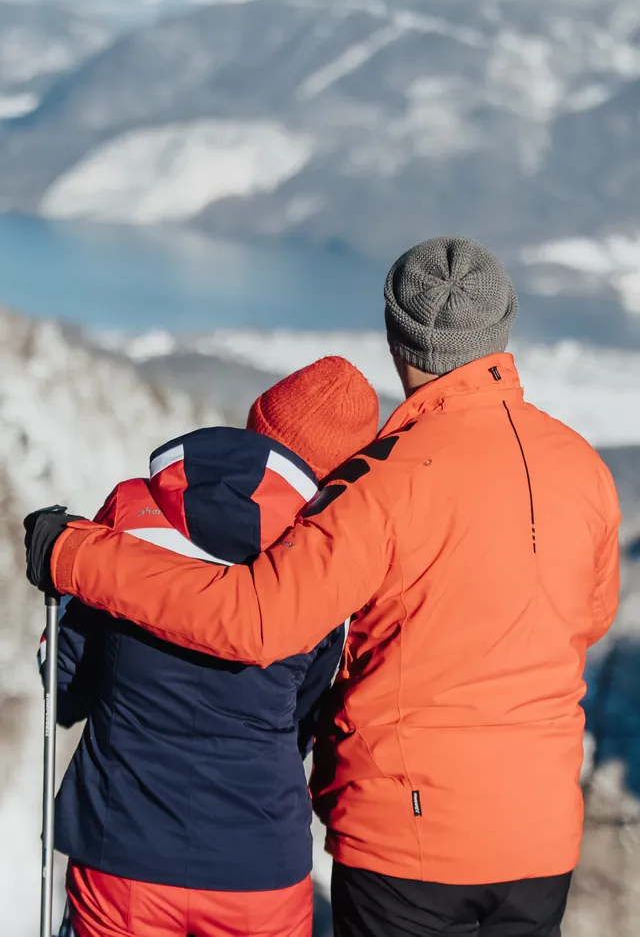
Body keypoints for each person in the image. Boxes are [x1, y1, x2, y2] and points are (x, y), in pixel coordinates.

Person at [27, 237, 621, 937]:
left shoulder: (385, 485)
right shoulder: (583, 468)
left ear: (396, 336)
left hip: (410, 839)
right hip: (540, 840)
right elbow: (589, 616)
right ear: (505, 326)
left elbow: (254, 620)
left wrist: (72, 553)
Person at [35, 357, 379, 937]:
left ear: (257, 428)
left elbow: (62, 680)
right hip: (259, 867)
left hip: (120, 850)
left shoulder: (128, 519)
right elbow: (307, 717)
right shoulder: (326, 571)